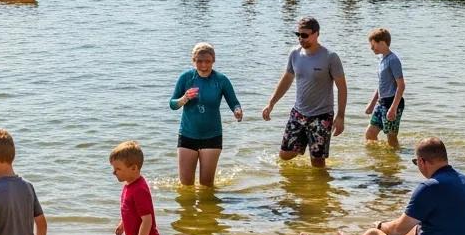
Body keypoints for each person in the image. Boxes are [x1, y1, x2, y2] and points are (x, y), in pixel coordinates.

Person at [298, 136, 465, 235]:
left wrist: (380, 226)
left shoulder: (429, 187)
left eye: (416, 162)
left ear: (422, 161)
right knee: (416, 228)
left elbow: (399, 229)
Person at [262, 16, 346, 169]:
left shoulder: (330, 57)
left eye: (305, 35)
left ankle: (316, 168)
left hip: (322, 116)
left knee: (317, 164)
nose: (301, 38)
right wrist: (271, 103)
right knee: (285, 155)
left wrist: (340, 116)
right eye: (298, 34)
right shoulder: (294, 53)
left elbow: (342, 87)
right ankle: (304, 144)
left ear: (316, 34)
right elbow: (287, 78)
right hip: (298, 113)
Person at [170, 43, 243, 186]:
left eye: (208, 61)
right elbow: (172, 104)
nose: (203, 65)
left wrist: (237, 111)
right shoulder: (185, 78)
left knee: (207, 184)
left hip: (212, 136)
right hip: (187, 135)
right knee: (185, 185)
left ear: (213, 60)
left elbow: (234, 102)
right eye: (199, 61)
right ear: (193, 60)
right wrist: (184, 98)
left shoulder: (221, 80)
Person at [364, 28, 405, 149]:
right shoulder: (382, 59)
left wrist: (393, 108)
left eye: (373, 45)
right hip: (381, 102)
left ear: (382, 42)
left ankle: (395, 158)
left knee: (391, 139)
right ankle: (380, 158)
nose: (371, 48)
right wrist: (372, 104)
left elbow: (401, 85)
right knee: (370, 134)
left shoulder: (393, 60)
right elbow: (381, 84)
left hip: (392, 102)